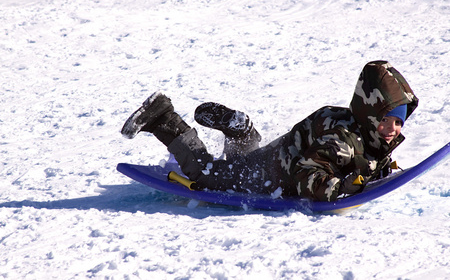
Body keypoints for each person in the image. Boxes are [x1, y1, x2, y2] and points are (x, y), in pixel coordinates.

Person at [121, 60, 418, 202]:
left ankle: (243, 134)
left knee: (243, 161)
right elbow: (307, 177)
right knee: (204, 175)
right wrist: (340, 189)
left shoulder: (355, 125)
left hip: (273, 161)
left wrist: (377, 168)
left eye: (398, 121)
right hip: (268, 177)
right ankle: (164, 118)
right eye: (385, 120)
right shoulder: (343, 141)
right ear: (368, 114)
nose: (391, 129)